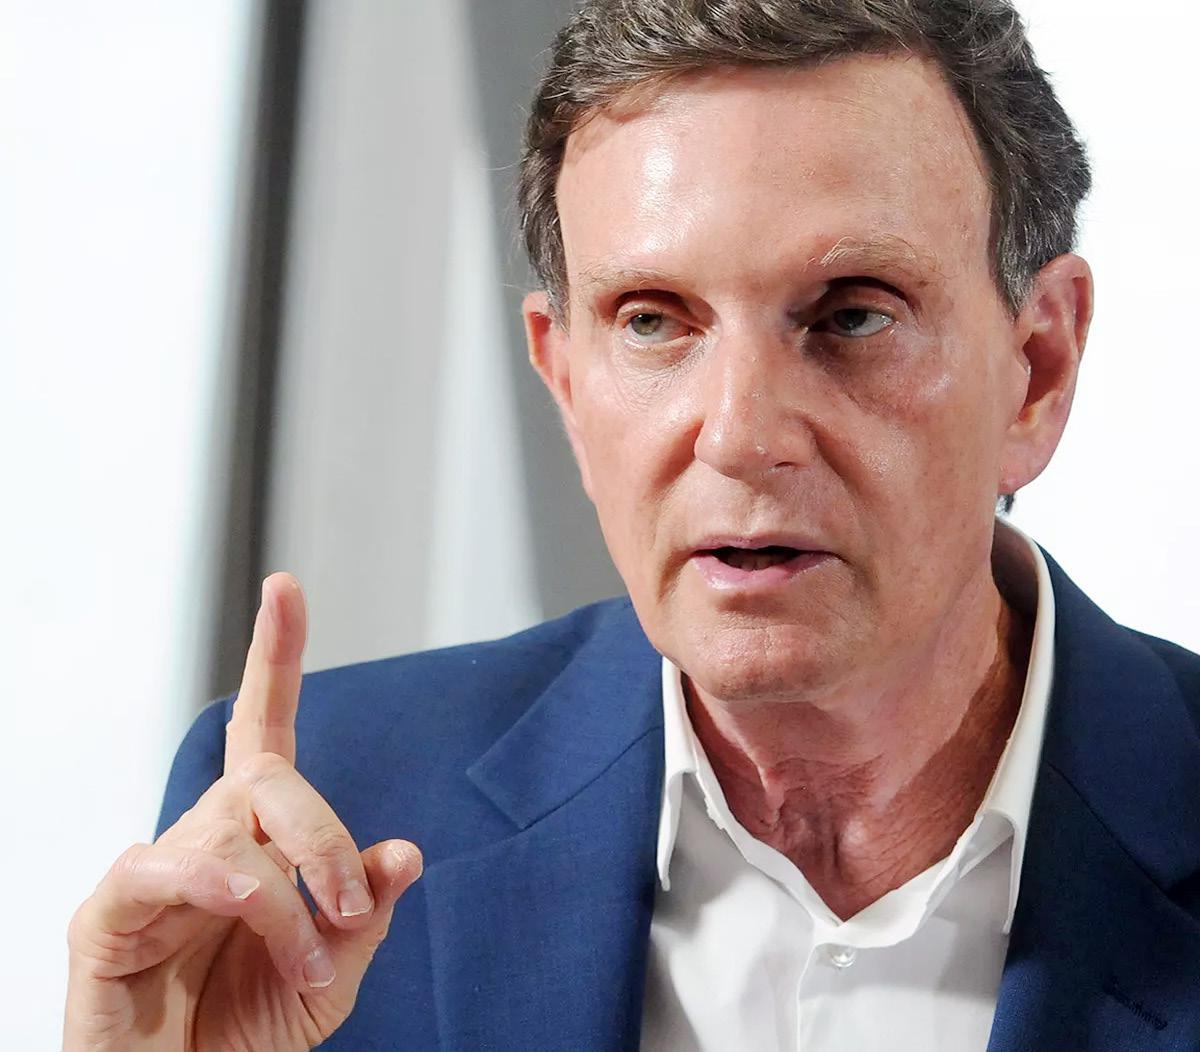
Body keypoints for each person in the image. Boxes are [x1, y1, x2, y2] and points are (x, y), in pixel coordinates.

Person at [65, 0, 1200, 1049]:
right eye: (654, 321)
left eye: (853, 315)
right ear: (564, 382)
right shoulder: (317, 819)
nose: (740, 435)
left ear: (1037, 368)